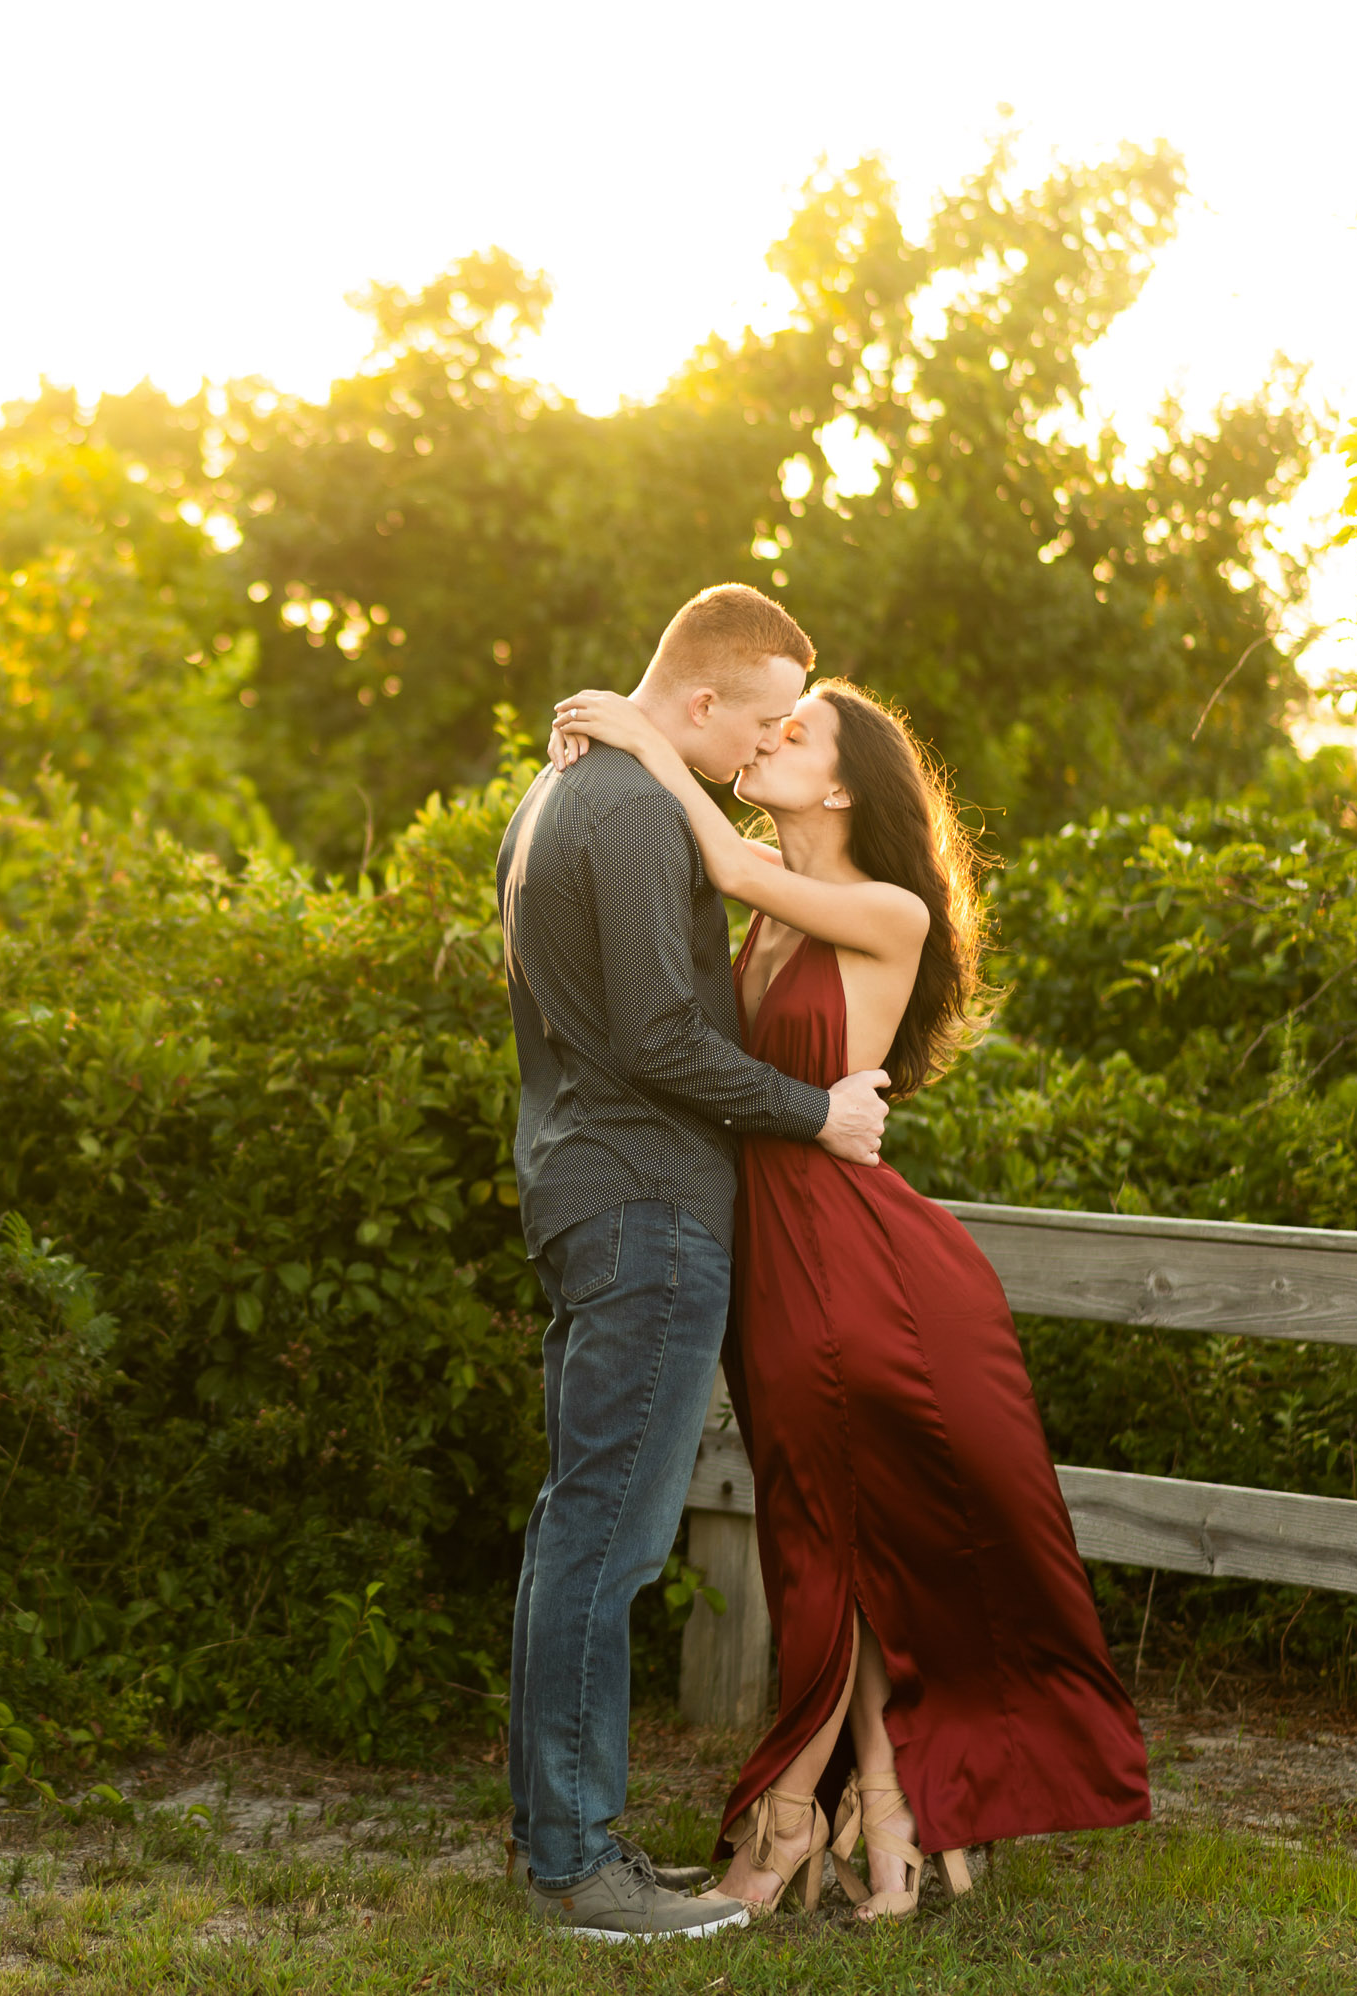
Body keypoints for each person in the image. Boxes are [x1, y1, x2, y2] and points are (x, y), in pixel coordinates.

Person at [547, 673, 1149, 1921]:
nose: (768, 741)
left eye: (794, 732)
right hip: (770, 1261)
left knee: (830, 1541)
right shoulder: (759, 919)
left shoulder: (884, 909)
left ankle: (785, 1831)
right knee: (839, 1539)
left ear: (839, 782)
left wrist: (644, 732)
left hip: (860, 1269)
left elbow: (716, 852)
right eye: (768, 724)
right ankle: (884, 1813)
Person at [495, 584, 890, 1943]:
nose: (763, 747)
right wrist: (816, 1111)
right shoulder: (638, 812)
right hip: (649, 1204)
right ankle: (582, 1866)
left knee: (577, 1527)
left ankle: (556, 1841)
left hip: (579, 1185)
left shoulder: (558, 798)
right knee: (611, 1537)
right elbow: (665, 1037)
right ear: (705, 700)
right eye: (762, 720)